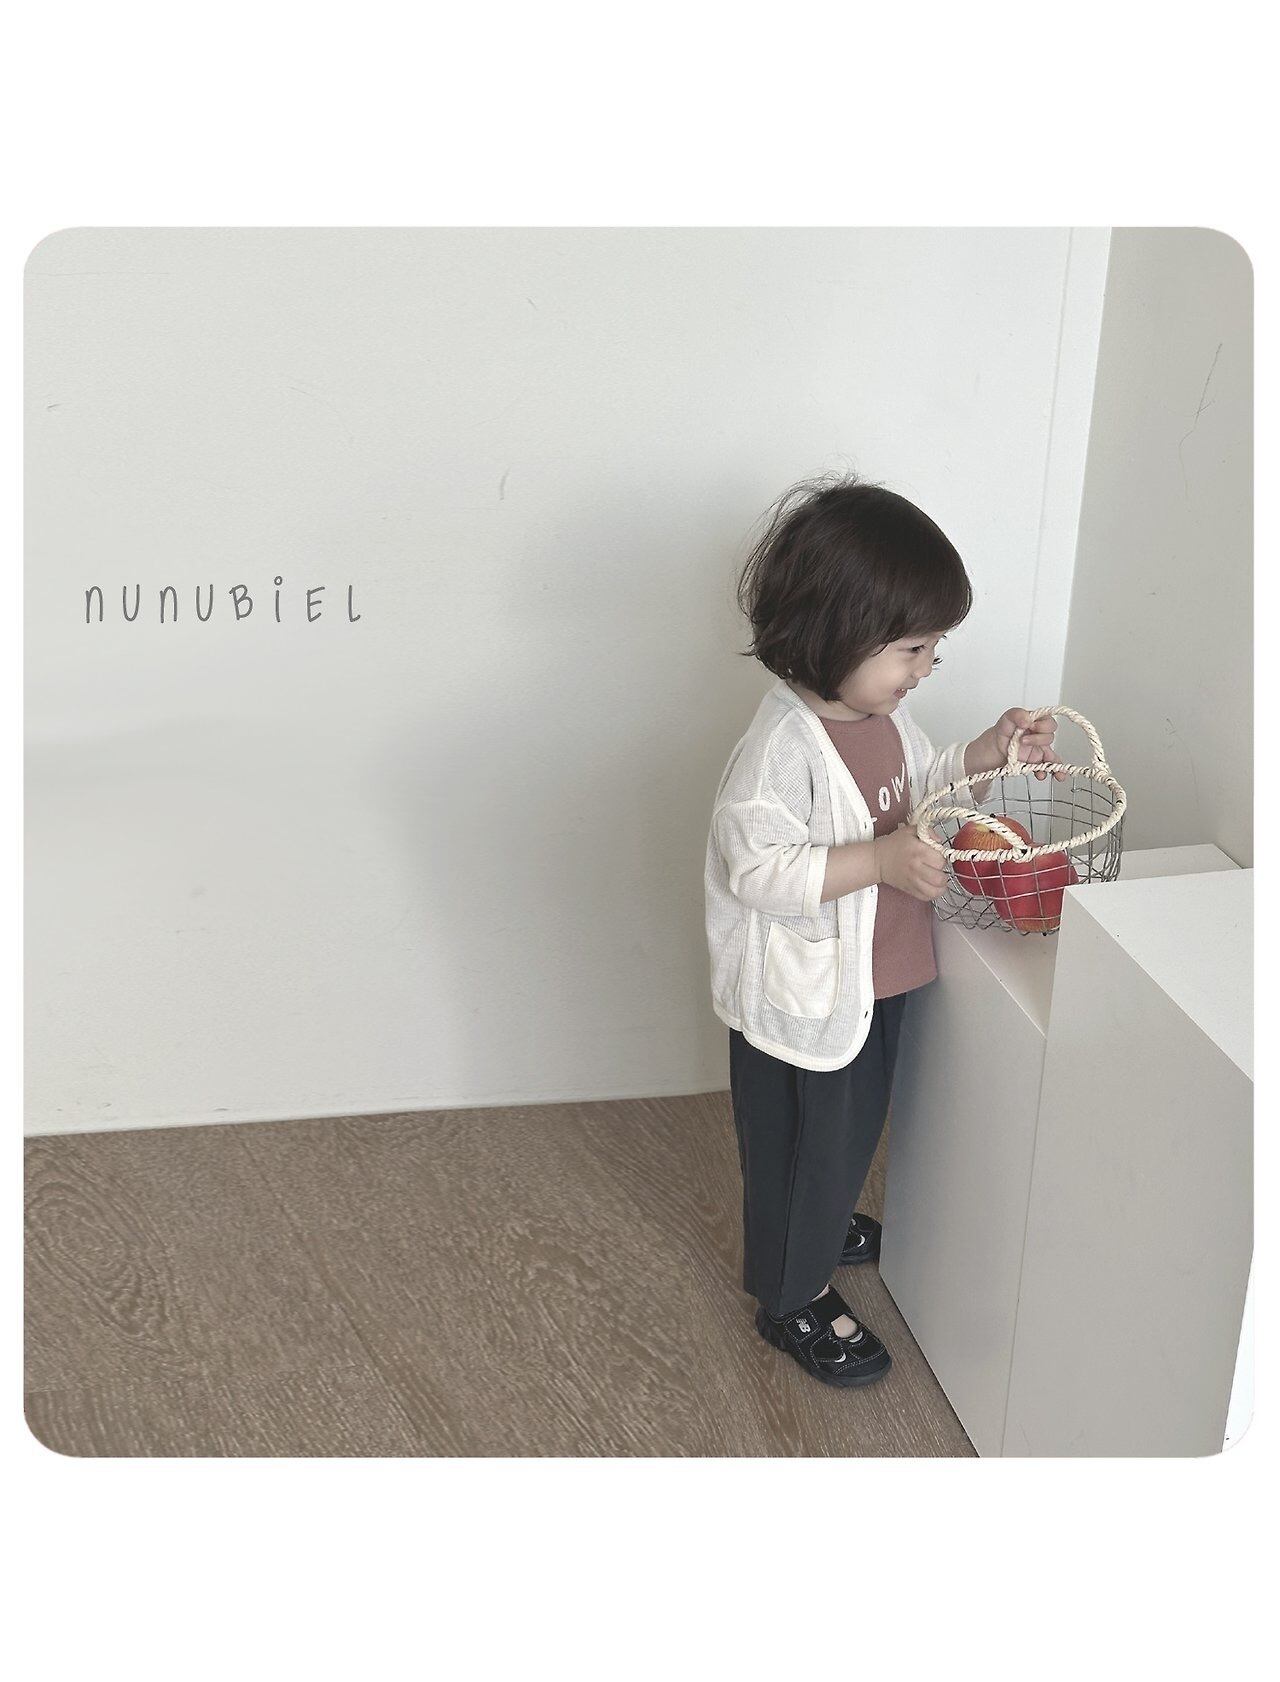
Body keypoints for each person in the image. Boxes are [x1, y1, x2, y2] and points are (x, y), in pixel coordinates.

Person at [703, 473, 1067, 1389]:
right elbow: (756, 870)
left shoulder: (882, 720)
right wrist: (876, 862)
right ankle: (791, 1297)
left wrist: (984, 754)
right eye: (912, 649)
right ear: (835, 630)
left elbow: (919, 789)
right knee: (804, 1144)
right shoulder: (780, 752)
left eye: (934, 650)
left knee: (848, 1136)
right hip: (807, 999)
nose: (924, 670)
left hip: (874, 981)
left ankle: (817, 1223)